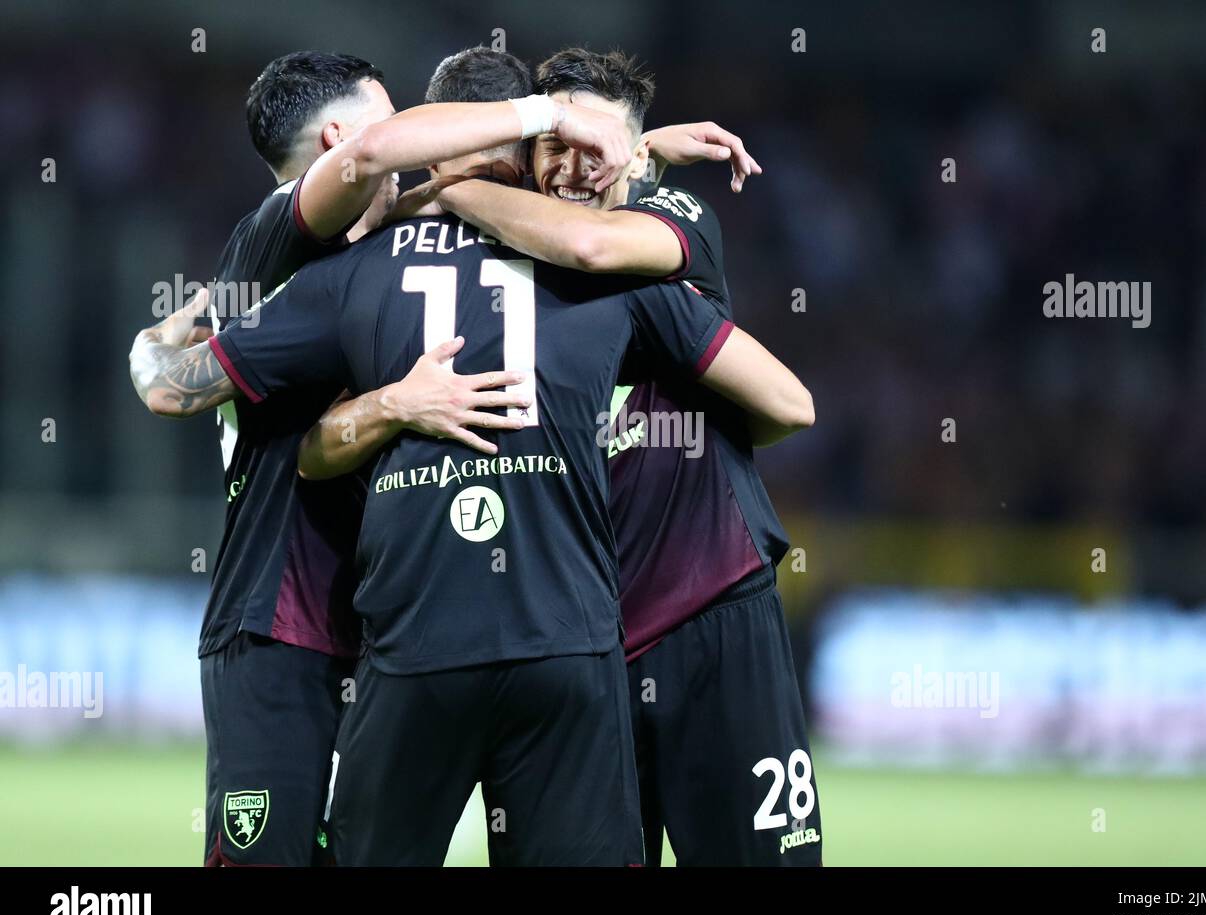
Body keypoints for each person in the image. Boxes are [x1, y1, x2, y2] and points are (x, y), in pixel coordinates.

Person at [128, 47, 812, 867]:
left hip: (401, 623)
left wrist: (626, 150)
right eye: (402, 126)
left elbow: (309, 449)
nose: (412, 141)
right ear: (345, 141)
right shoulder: (289, 234)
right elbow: (789, 405)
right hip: (296, 621)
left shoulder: (574, 246)